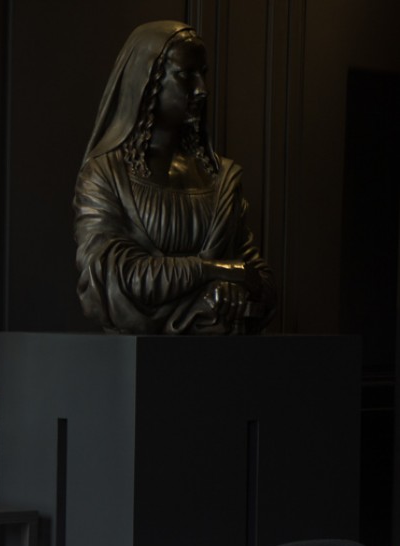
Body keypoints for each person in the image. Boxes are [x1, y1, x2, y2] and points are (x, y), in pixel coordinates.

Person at [74, 20, 277, 335]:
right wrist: (212, 271)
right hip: (136, 357)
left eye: (203, 74)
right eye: (186, 75)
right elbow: (109, 278)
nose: (201, 89)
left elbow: (259, 279)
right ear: (148, 81)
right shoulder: (106, 176)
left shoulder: (219, 177)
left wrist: (232, 292)